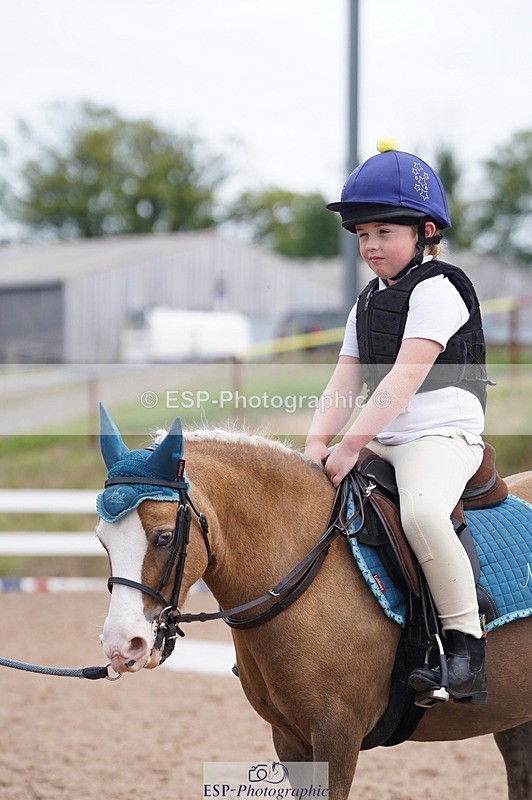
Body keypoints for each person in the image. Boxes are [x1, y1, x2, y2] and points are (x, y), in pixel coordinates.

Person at [304, 141, 490, 704]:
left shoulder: (440, 289)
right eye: (362, 234)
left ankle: (464, 645)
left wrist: (349, 445)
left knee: (424, 512)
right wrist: (315, 443)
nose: (370, 245)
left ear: (425, 232)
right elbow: (345, 379)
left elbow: (401, 382)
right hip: (385, 439)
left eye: (384, 232)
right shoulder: (366, 302)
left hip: (442, 434)